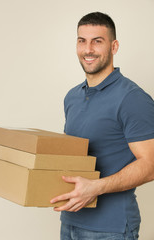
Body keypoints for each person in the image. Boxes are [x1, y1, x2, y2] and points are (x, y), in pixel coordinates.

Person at [50, 12, 154, 239]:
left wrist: (96, 187)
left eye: (97, 41)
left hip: (111, 228)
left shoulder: (132, 98)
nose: (88, 49)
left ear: (114, 46)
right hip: (70, 219)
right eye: (82, 41)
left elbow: (151, 165)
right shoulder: (72, 97)